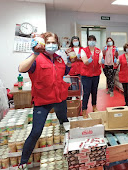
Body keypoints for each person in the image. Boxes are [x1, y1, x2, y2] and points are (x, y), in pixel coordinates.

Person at [18, 32, 71, 170]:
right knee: (36, 131)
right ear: (42, 44)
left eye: (54, 42)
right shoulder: (37, 58)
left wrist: (72, 60)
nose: (51, 45)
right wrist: (34, 54)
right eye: (48, 42)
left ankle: (68, 149)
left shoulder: (59, 59)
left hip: (59, 99)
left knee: (65, 123)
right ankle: (23, 162)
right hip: (42, 101)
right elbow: (21, 68)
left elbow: (66, 71)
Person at [81, 35, 103, 118]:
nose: (92, 41)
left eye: (93, 40)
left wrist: (101, 61)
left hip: (96, 75)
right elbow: (85, 61)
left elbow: (100, 60)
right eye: (90, 40)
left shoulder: (98, 51)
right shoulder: (84, 50)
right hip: (86, 75)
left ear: (95, 42)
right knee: (86, 93)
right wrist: (88, 61)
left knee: (94, 92)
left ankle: (94, 106)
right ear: (87, 42)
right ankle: (84, 110)